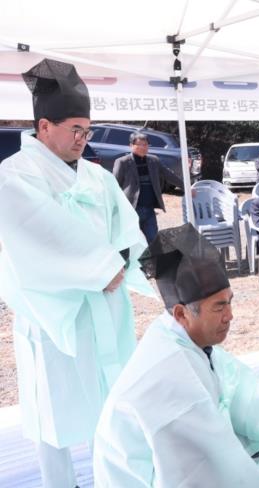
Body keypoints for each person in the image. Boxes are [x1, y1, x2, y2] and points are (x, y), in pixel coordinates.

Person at [0, 59, 154, 488]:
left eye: (87, 131)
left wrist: (122, 261)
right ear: (44, 126)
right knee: (55, 410)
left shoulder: (96, 176)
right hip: (54, 315)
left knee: (110, 401)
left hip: (106, 303)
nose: (83, 140)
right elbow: (37, 236)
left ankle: (114, 478)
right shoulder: (14, 176)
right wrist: (101, 267)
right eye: (75, 130)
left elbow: (126, 226)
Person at [94, 224, 259, 486]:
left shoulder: (181, 336)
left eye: (230, 302)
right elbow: (203, 463)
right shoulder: (169, 370)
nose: (230, 316)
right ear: (181, 314)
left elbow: (234, 386)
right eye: (219, 307)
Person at [112, 131, 168, 244]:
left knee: (153, 242)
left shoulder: (154, 160)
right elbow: (114, 185)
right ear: (131, 145)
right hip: (131, 210)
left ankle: (152, 257)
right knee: (129, 243)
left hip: (149, 211)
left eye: (145, 144)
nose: (143, 147)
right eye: (139, 144)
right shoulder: (122, 162)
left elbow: (168, 175)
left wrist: (186, 187)